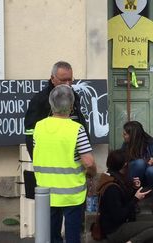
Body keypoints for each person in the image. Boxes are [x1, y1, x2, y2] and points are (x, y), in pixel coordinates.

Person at [33, 84, 96, 243]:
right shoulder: (76, 129)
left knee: (51, 235)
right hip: (71, 193)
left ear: (51, 104)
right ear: (72, 105)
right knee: (73, 235)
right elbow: (88, 162)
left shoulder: (39, 127)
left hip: (46, 192)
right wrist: (92, 174)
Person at [98, 149, 153, 243]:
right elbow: (118, 216)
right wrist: (135, 199)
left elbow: (123, 200)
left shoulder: (114, 176)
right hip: (115, 230)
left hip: (121, 223)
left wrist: (134, 189)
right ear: (124, 165)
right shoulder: (112, 188)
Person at [24, 61, 88, 159]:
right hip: (50, 158)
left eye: (70, 80)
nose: (67, 84)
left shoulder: (74, 96)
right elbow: (30, 133)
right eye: (63, 80)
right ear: (53, 79)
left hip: (74, 160)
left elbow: (81, 124)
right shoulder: (40, 100)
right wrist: (36, 159)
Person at [121, 121, 153, 214]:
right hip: (134, 179)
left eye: (125, 134)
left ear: (133, 135)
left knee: (152, 170)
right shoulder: (126, 145)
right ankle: (134, 199)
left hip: (150, 178)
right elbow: (121, 165)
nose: (123, 136)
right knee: (140, 163)